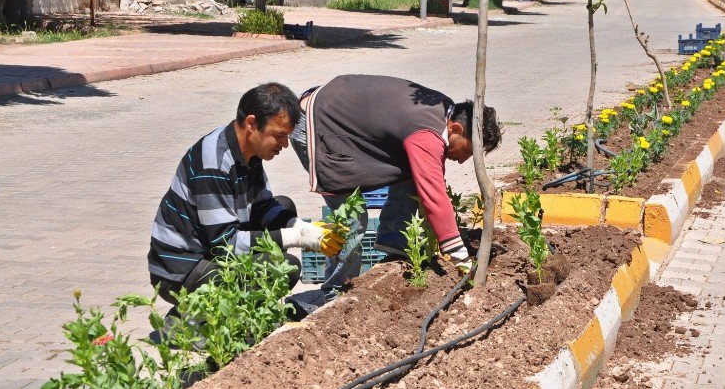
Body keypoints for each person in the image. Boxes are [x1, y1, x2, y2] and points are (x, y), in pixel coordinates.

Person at [290, 74, 502, 295]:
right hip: (318, 125)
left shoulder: (441, 110)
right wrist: (459, 256)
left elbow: (430, 176)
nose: (463, 160)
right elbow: (434, 195)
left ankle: (395, 239)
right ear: (455, 129)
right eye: (467, 151)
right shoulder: (427, 132)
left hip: (336, 112)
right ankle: (335, 291)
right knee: (352, 218)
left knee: (414, 171)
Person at [148, 82, 343, 307]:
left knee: (283, 207)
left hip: (209, 249)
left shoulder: (248, 151)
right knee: (284, 269)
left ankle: (244, 308)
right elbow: (225, 245)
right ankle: (187, 321)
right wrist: (297, 237)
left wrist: (302, 226)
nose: (285, 144)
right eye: (279, 135)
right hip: (181, 270)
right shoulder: (213, 165)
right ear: (251, 123)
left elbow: (263, 206)